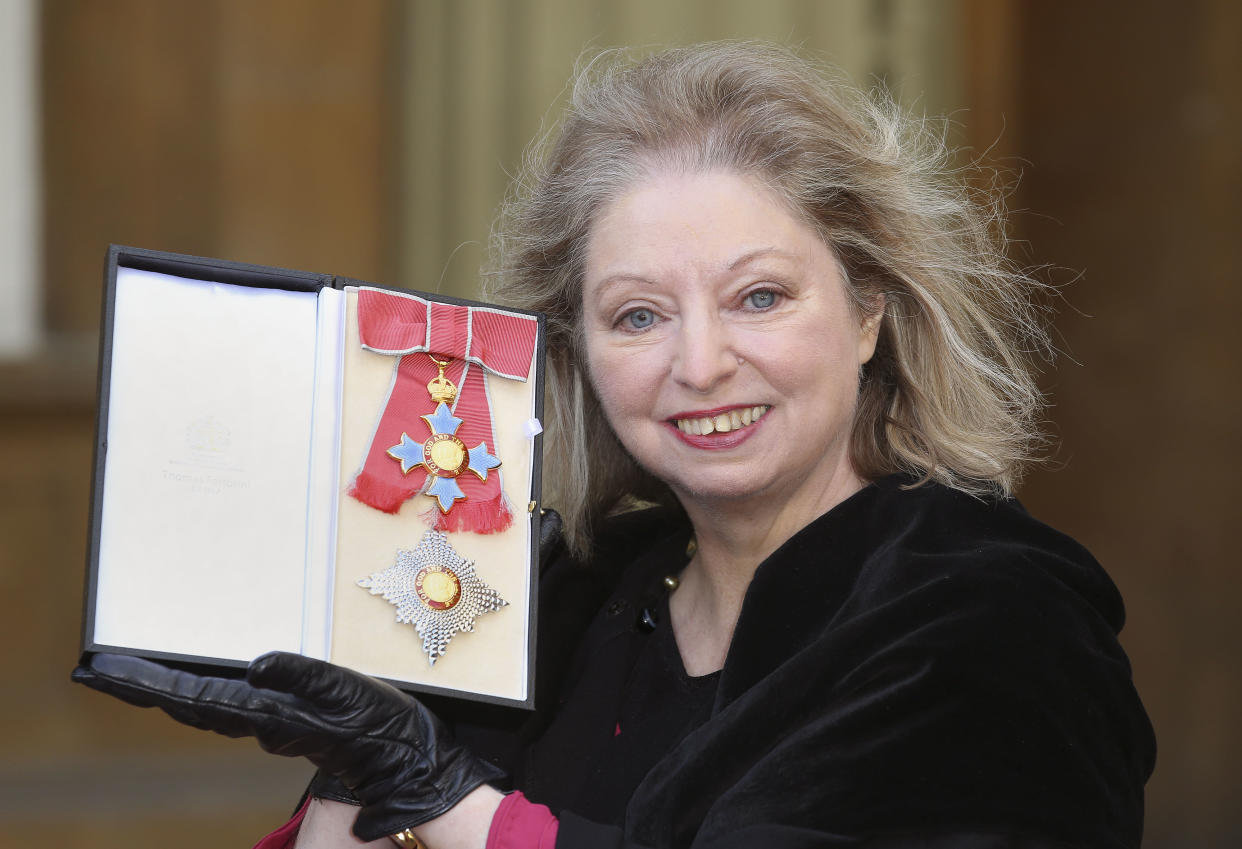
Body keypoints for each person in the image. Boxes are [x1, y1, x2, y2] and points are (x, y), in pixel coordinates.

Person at [73, 42, 1155, 849]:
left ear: (869, 310)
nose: (701, 362)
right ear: (578, 352)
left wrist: (447, 802)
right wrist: (359, 757)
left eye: (760, 297)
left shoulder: (992, 616)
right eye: (638, 315)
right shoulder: (561, 595)